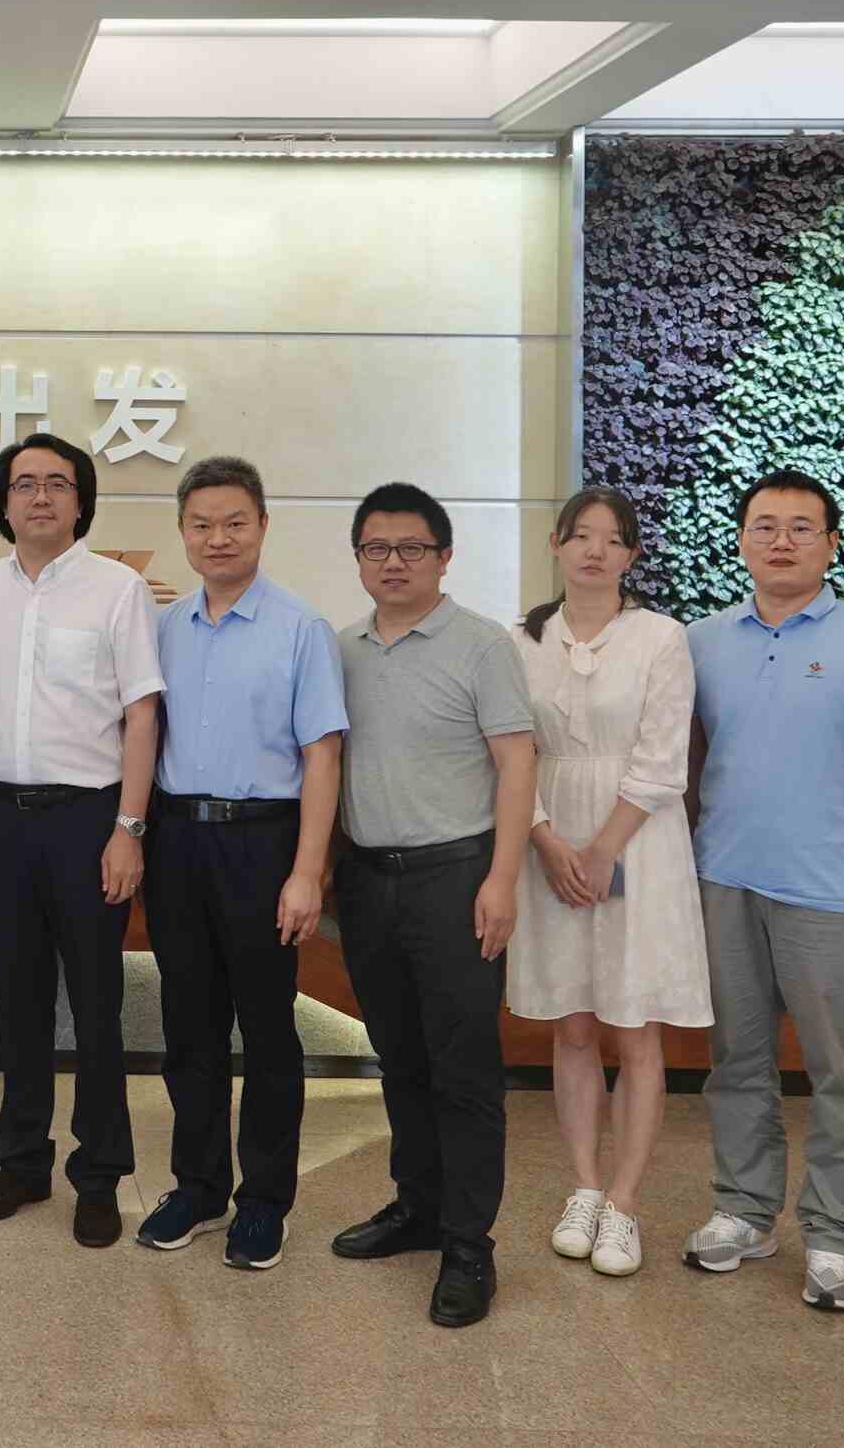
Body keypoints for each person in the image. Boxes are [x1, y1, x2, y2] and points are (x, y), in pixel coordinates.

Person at [682, 468, 844, 1314]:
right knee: (737, 1061)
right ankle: (746, 1212)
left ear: (830, 544)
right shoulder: (703, 641)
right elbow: (687, 763)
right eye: (764, 525)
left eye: (800, 527)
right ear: (742, 540)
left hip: (834, 893)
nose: (780, 541)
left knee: (843, 1072)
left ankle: (835, 1235)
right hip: (725, 881)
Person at [328, 482, 536, 1327]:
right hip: (366, 880)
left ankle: (468, 1246)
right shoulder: (341, 648)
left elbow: (517, 765)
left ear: (444, 557)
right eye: (376, 548)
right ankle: (417, 1207)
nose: (394, 562)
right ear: (359, 559)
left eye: (411, 547)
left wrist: (502, 879)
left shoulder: (482, 645)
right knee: (399, 1058)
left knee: (463, 1070)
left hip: (456, 878)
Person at [136, 456, 345, 1272]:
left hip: (264, 842)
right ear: (182, 532)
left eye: (234, 523)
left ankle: (264, 1201)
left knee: (266, 1031)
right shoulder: (164, 628)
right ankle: (197, 1187)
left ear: (262, 525)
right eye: (201, 524)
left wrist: (307, 871)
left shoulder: (300, 628)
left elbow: (322, 757)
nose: (217, 538)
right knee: (187, 1026)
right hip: (177, 840)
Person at [0, 433, 163, 1250]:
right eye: (24, 484)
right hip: (2, 816)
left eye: (57, 484)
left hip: (90, 819)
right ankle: (21, 1163)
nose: (40, 497)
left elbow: (142, 713)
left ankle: (100, 1173)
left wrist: (128, 829)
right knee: (18, 1002)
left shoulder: (119, 589)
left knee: (97, 1006)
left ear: (81, 502)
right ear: (3, 503)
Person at [505, 488, 709, 1282]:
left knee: (635, 1027)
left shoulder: (661, 638)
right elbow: (509, 753)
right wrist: (547, 840)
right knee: (574, 1023)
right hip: (549, 840)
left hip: (638, 840)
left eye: (612, 539)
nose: (595, 550)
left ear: (631, 555)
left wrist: (601, 852)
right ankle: (584, 1187)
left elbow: (662, 759)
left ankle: (624, 1202)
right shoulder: (521, 641)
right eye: (581, 535)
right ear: (556, 544)